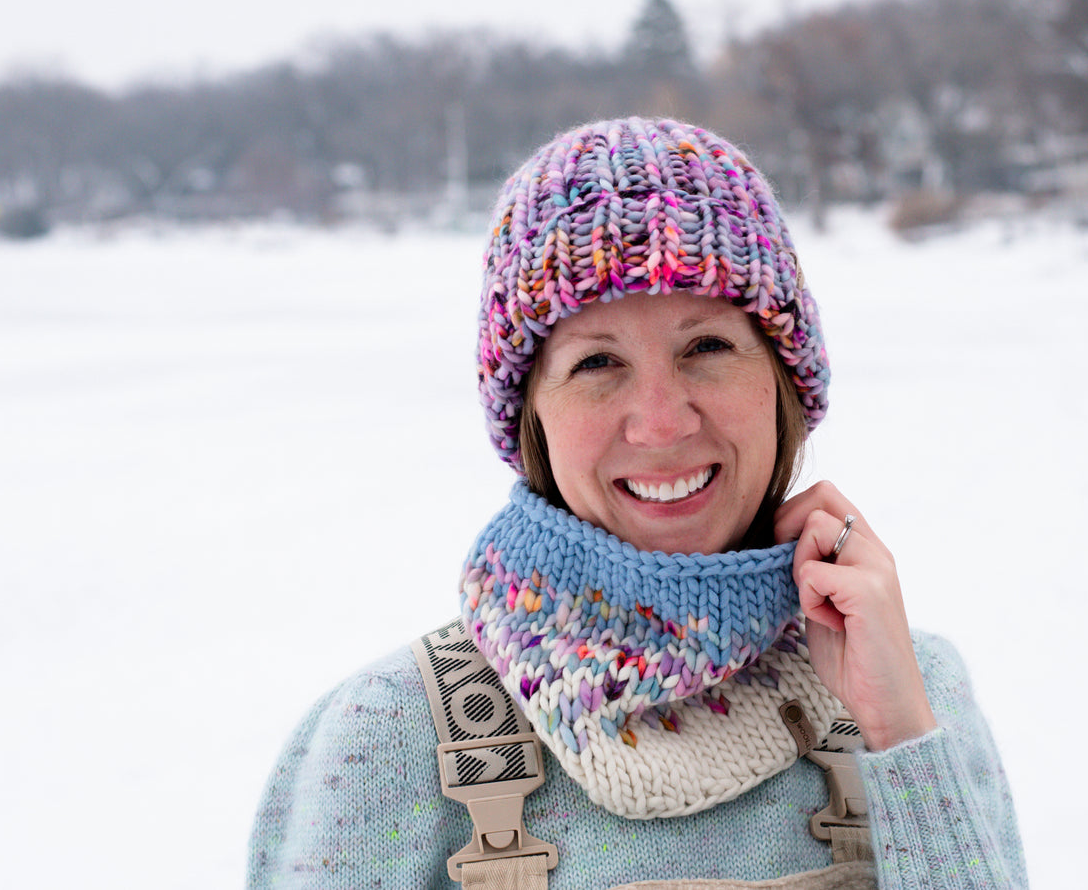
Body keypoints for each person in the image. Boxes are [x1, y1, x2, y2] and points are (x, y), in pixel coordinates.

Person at [247, 117, 1026, 889]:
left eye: (707, 347)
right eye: (596, 363)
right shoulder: (388, 734)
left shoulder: (915, 688)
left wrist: (901, 745)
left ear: (783, 382)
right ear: (533, 417)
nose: (661, 422)